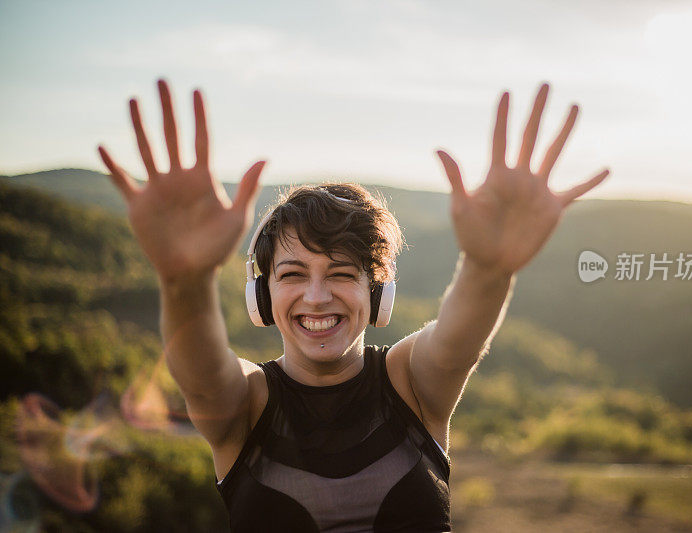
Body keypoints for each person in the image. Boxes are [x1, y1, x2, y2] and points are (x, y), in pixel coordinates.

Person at [98, 79, 609, 532]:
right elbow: (201, 374)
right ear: (261, 296)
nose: (317, 296)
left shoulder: (411, 381)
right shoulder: (246, 403)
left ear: (377, 291)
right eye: (292, 275)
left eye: (342, 274)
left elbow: (459, 340)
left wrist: (488, 268)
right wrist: (183, 280)